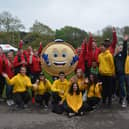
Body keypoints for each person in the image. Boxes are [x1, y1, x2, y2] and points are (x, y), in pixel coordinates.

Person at [98, 42, 115, 107]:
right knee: (103, 88)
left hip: (109, 74)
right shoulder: (99, 55)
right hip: (102, 74)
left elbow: (112, 65)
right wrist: (100, 70)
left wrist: (113, 73)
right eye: (100, 46)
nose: (101, 47)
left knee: (109, 88)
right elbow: (100, 63)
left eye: (102, 46)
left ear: (105, 47)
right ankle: (104, 100)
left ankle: (109, 101)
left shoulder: (109, 55)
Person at [114, 35, 128, 107]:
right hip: (117, 74)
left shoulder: (123, 55)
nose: (120, 49)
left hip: (123, 73)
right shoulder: (115, 57)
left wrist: (125, 41)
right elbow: (114, 66)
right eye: (119, 48)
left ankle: (125, 99)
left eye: (121, 48)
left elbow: (125, 49)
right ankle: (121, 99)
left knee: (124, 86)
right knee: (119, 87)